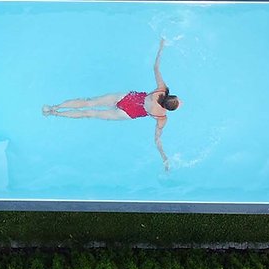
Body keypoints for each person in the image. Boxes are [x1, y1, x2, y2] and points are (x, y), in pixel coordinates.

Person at [42, 37, 180, 170]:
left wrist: (161, 47)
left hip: (128, 98)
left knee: (89, 102)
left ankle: (54, 107)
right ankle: (55, 114)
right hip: (128, 113)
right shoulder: (162, 117)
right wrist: (164, 158)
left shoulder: (161, 90)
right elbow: (157, 139)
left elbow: (156, 67)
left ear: (169, 96)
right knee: (89, 114)